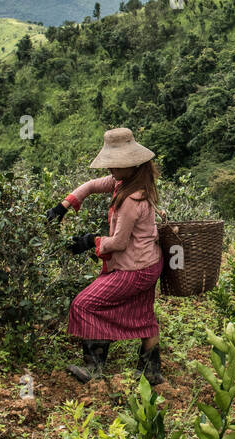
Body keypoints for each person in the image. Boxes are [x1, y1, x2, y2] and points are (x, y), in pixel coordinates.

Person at [47, 128, 164, 385]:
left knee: (85, 304)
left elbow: (120, 243)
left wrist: (91, 241)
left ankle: (94, 368)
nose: (110, 169)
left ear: (129, 163)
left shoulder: (132, 199)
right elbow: (90, 186)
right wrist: (64, 206)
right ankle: (151, 372)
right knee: (144, 316)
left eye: (114, 164)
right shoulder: (130, 181)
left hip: (135, 268)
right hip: (149, 263)